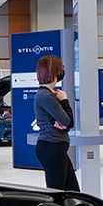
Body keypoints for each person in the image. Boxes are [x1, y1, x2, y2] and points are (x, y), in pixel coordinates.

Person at [33, 55, 80, 191]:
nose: (62, 71)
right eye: (61, 68)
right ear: (54, 71)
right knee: (57, 193)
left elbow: (64, 125)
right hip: (52, 147)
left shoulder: (51, 94)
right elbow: (68, 122)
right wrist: (64, 100)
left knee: (73, 191)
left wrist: (64, 125)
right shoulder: (46, 96)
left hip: (57, 147)